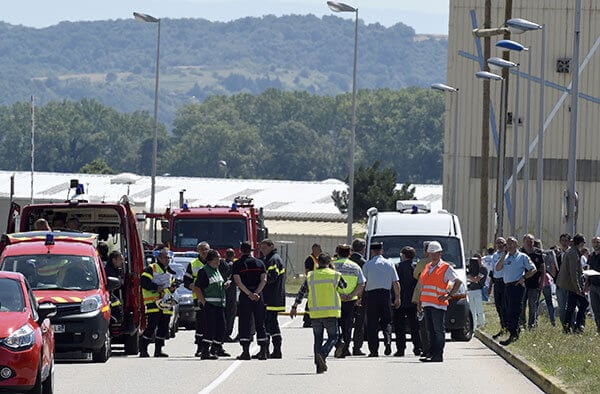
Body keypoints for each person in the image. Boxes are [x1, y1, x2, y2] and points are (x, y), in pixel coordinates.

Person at [290, 253, 346, 374]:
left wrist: (294, 306)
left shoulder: (311, 276)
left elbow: (301, 292)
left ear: (317, 263)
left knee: (317, 339)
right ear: (329, 262)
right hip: (330, 312)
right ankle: (323, 354)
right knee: (333, 336)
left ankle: (319, 366)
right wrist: (333, 270)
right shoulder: (335, 275)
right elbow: (344, 286)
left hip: (315, 314)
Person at [418, 241, 462, 362]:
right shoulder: (427, 267)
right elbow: (423, 286)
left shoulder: (445, 267)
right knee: (430, 331)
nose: (433, 256)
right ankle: (431, 353)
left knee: (438, 331)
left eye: (435, 253)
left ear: (440, 253)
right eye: (431, 253)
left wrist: (449, 295)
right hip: (427, 303)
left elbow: (458, 282)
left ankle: (438, 355)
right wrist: (420, 301)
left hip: (438, 304)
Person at [495, 237, 536, 346]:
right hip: (507, 286)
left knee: (514, 310)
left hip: (517, 286)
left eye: (511, 243)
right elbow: (498, 268)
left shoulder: (522, 257)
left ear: (516, 245)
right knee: (507, 310)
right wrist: (504, 255)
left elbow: (533, 269)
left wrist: (524, 277)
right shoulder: (506, 257)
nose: (509, 246)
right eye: (507, 244)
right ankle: (513, 331)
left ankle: (513, 334)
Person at [362, 242, 400, 357]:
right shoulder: (389, 264)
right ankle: (387, 340)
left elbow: (363, 283)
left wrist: (360, 298)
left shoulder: (367, 265)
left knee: (372, 323)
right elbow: (396, 282)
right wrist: (398, 297)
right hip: (385, 295)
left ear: (372, 252)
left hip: (372, 296)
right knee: (387, 320)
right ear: (382, 251)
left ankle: (374, 350)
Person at [232, 241, 268, 360]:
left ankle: (246, 352)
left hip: (245, 296)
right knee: (260, 323)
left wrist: (248, 294)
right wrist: (256, 293)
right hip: (259, 296)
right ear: (251, 250)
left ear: (240, 250)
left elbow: (238, 281)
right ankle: (263, 351)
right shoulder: (260, 263)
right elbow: (264, 280)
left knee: (245, 323)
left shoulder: (237, 264)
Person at [140, 247, 177, 358]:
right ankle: (143, 349)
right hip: (153, 302)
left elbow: (170, 285)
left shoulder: (169, 271)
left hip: (166, 302)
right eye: (166, 258)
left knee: (163, 326)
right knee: (151, 326)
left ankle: (158, 350)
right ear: (159, 258)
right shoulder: (151, 268)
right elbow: (144, 282)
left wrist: (172, 288)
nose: (168, 260)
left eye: (169, 258)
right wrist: (156, 287)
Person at [194, 249, 230, 359]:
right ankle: (205, 351)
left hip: (219, 304)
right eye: (217, 258)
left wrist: (224, 285)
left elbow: (215, 284)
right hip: (210, 305)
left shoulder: (216, 270)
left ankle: (215, 349)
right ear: (211, 260)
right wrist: (204, 302)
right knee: (209, 328)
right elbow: (197, 288)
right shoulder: (204, 271)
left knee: (222, 328)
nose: (220, 260)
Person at [332, 244, 365, 358]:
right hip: (351, 300)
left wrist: (339, 294)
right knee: (347, 325)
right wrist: (352, 294)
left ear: (338, 253)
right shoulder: (355, 266)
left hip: (336, 299)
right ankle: (345, 348)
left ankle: (338, 344)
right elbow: (361, 283)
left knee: (335, 323)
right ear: (349, 253)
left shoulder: (332, 266)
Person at [557, 233, 588, 334]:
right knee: (584, 304)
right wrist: (578, 289)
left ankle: (568, 327)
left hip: (571, 285)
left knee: (571, 306)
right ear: (580, 242)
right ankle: (577, 326)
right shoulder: (573, 253)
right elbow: (573, 272)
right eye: (583, 242)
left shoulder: (573, 251)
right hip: (572, 285)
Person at [259, 239, 286, 359]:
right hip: (272, 298)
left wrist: (260, 280)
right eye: (261, 248)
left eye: (264, 248)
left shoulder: (273, 259)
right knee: (271, 324)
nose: (262, 250)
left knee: (270, 324)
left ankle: (273, 350)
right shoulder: (270, 258)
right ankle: (271, 350)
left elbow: (272, 277)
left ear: (271, 246)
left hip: (271, 298)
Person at [393, 246, 421, 357]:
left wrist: (394, 297)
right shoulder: (416, 267)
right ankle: (417, 348)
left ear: (403, 255)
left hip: (400, 300)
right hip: (413, 300)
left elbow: (394, 283)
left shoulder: (397, 267)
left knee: (399, 327)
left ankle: (400, 349)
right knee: (415, 326)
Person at [183, 241, 210, 356]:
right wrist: (192, 286)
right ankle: (200, 347)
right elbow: (186, 281)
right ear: (198, 251)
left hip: (213, 298)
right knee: (201, 323)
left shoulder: (214, 262)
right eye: (201, 249)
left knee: (213, 322)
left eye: (206, 249)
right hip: (199, 298)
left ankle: (215, 347)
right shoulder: (193, 264)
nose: (204, 252)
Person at [520, 234, 546, 329]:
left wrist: (542, 282)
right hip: (522, 284)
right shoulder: (520, 252)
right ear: (523, 242)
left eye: (531, 241)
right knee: (521, 305)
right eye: (527, 241)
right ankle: (521, 324)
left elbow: (543, 269)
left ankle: (532, 325)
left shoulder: (538, 253)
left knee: (533, 305)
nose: (529, 243)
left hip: (534, 284)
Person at [349, 238, 368, 356]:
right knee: (359, 324)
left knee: (346, 322)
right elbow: (365, 282)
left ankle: (344, 345)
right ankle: (357, 347)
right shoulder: (364, 263)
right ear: (363, 249)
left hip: (346, 296)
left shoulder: (347, 261)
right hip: (360, 297)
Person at [488, 237, 508, 339]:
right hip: (497, 282)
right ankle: (503, 327)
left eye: (502, 243)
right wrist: (490, 286)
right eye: (498, 243)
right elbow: (492, 272)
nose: (500, 245)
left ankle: (507, 327)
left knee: (505, 306)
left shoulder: (508, 255)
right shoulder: (494, 256)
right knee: (498, 306)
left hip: (505, 282)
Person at [534, 239, 557, 327]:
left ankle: (535, 321)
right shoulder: (548, 254)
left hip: (537, 279)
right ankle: (553, 321)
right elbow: (553, 268)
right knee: (549, 302)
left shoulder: (535, 255)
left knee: (535, 302)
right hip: (547, 279)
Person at [302, 243, 322, 328]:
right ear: (314, 250)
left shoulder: (318, 259)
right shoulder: (310, 259)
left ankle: (314, 319)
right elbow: (307, 272)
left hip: (318, 283)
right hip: (312, 283)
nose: (320, 251)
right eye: (319, 249)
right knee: (310, 301)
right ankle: (307, 320)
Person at [555, 233, 572, 326]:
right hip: (560, 284)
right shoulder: (558, 254)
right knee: (561, 306)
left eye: (566, 240)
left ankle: (572, 324)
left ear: (569, 242)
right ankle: (564, 326)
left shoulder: (572, 253)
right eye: (562, 241)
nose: (564, 243)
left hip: (570, 284)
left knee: (570, 306)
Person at [467, 255, 487, 329]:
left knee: (479, 309)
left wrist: (469, 278)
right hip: (470, 290)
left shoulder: (483, 269)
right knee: (472, 310)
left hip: (478, 290)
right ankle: (474, 326)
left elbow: (477, 279)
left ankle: (482, 324)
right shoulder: (472, 269)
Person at [585, 236, 600, 333]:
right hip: (593, 285)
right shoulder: (591, 256)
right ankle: (599, 328)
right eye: (594, 242)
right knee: (595, 309)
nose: (596, 244)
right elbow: (588, 270)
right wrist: (586, 284)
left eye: (598, 242)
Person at [105, 250, 124, 324]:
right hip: (108, 295)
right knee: (117, 306)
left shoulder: (115, 269)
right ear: (114, 260)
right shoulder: (109, 271)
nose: (122, 262)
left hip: (112, 293)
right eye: (120, 259)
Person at [223, 248, 238, 342]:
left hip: (223, 292)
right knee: (230, 314)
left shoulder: (221, 264)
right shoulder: (233, 265)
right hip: (231, 293)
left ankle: (222, 333)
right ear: (234, 255)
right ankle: (227, 334)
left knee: (223, 313)